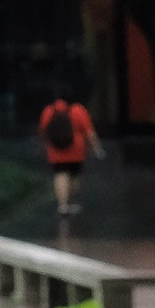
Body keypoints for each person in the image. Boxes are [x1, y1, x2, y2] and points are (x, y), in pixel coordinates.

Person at [36, 88, 97, 218]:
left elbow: (43, 131)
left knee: (60, 175)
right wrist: (95, 147)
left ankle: (62, 206)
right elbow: (89, 132)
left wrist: (43, 147)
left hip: (55, 150)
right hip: (76, 150)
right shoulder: (78, 110)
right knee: (74, 176)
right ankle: (72, 202)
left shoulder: (49, 110)